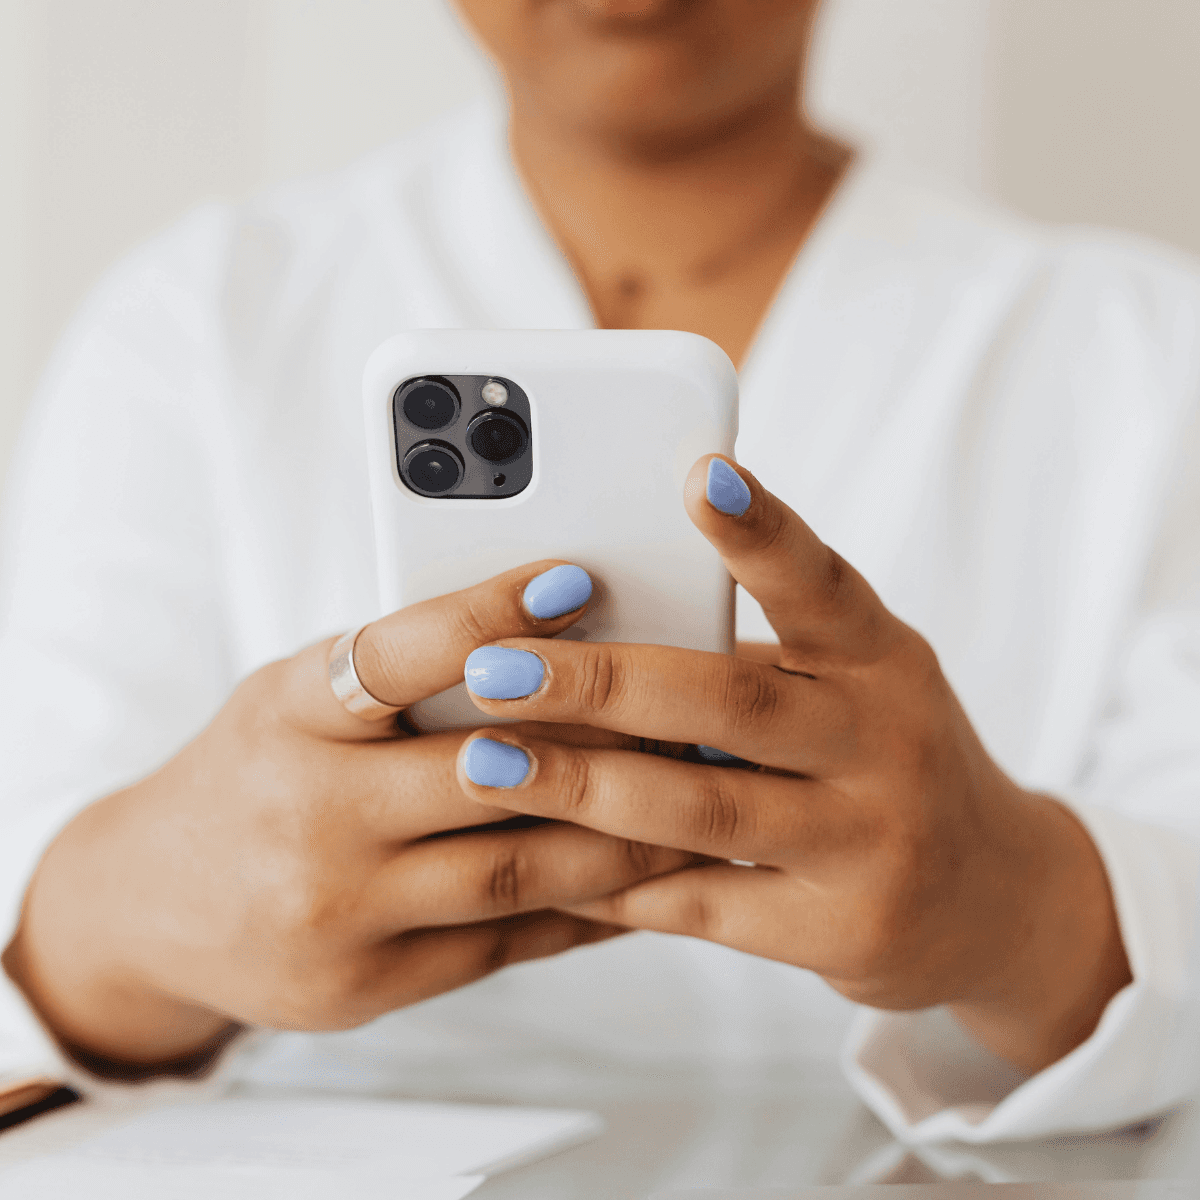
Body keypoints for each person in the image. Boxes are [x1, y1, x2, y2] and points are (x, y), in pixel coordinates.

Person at [1, 0, 1199, 1146]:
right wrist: (138, 917)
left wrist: (1019, 906)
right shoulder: (197, 323)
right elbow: (40, 915)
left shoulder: (1142, 355)